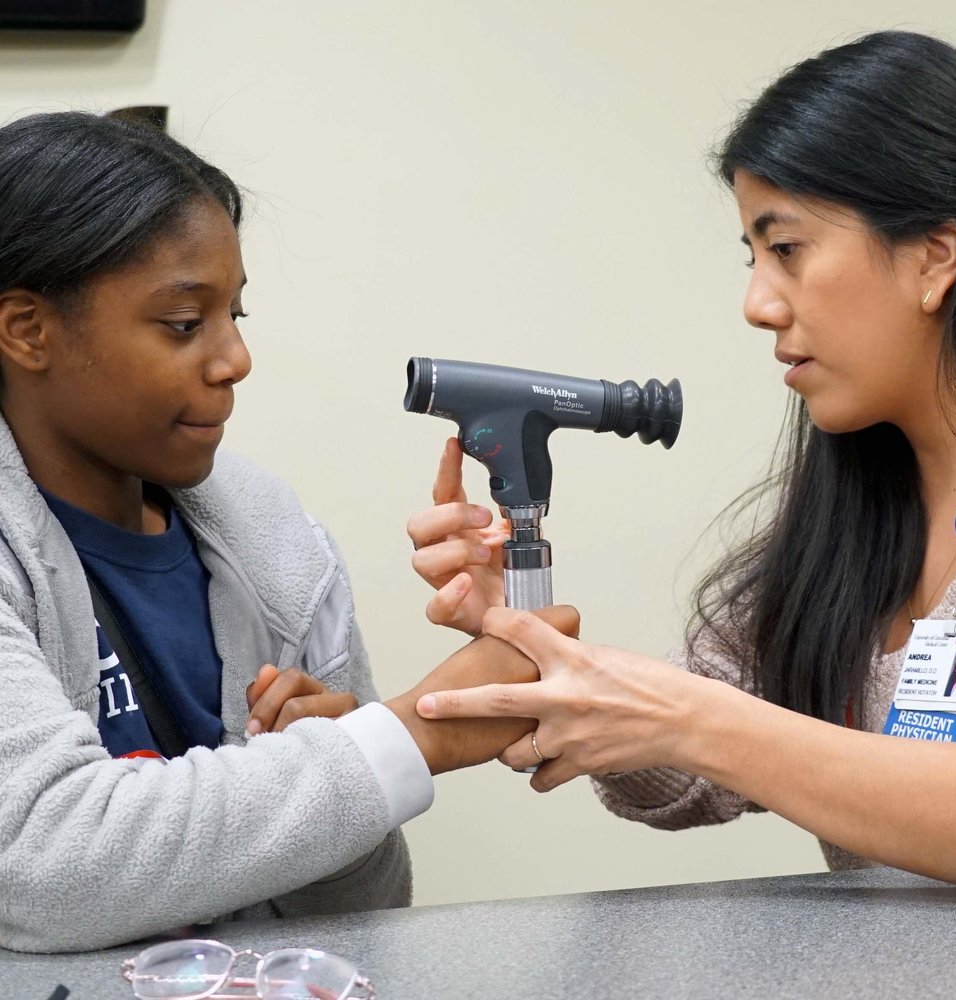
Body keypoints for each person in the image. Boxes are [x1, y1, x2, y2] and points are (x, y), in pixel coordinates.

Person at [407, 30, 956, 892]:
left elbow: (706, 729)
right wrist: (532, 643)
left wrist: (698, 723)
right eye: (752, 257)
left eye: (787, 248)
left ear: (934, 258)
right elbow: (685, 771)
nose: (758, 303)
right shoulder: (853, 523)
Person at [0, 110, 577, 954]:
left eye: (236, 315)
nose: (234, 359)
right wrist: (408, 736)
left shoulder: (277, 545)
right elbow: (43, 864)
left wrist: (336, 769)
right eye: (184, 323)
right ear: (27, 330)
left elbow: (366, 922)